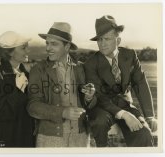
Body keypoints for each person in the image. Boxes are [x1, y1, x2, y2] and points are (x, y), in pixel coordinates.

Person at [84, 15, 157, 147]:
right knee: (100, 123)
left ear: (118, 40)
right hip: (102, 107)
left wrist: (150, 115)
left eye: (107, 39)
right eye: (99, 40)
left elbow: (140, 83)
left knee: (144, 133)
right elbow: (99, 96)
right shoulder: (90, 63)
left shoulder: (130, 55)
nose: (102, 43)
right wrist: (124, 115)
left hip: (125, 104)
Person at [27, 22, 96, 147]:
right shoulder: (38, 70)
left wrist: (90, 97)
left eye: (54, 44)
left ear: (67, 46)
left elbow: (91, 105)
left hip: (80, 138)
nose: (48, 48)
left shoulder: (81, 68)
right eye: (47, 43)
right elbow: (33, 106)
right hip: (49, 139)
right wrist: (62, 112)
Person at [0, 31, 36, 147]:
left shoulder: (25, 74)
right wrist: (18, 90)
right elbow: (1, 114)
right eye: (23, 48)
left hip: (27, 141)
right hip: (9, 144)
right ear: (10, 52)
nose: (28, 51)